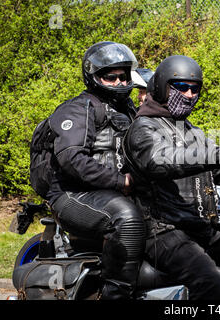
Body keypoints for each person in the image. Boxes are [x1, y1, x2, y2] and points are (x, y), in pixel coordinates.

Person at [123, 55, 220, 300]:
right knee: (210, 281)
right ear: (161, 87)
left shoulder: (190, 130)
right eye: (182, 87)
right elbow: (160, 160)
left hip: (197, 225)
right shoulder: (143, 127)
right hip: (162, 230)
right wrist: (219, 153)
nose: (190, 94)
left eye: (195, 89)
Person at [45, 41, 146, 299]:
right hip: (72, 194)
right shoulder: (79, 109)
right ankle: (116, 294)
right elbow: (72, 158)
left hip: (109, 193)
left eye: (123, 77)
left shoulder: (128, 110)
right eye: (110, 77)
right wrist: (120, 181)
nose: (119, 82)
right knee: (126, 218)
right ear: (93, 76)